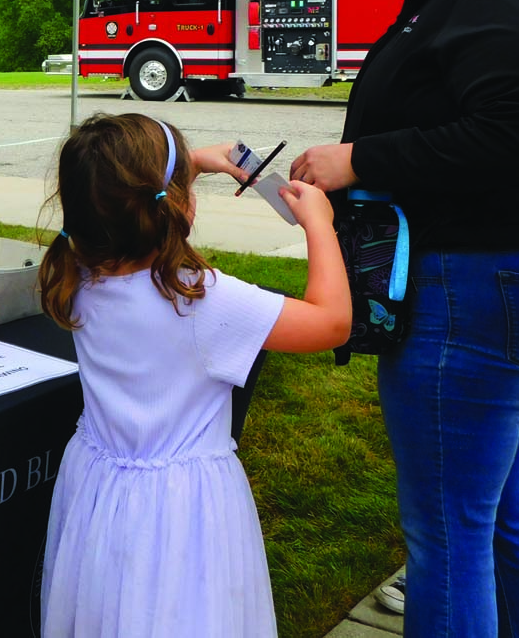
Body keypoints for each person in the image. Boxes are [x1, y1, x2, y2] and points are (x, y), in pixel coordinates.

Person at [292, 0, 519, 636]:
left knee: (445, 536)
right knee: (509, 512)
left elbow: (518, 135)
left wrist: (358, 159)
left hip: (469, 288)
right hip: (506, 279)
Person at [38, 113, 349, 638]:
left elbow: (124, 202)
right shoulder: (201, 300)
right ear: (176, 203)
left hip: (99, 492)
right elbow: (332, 321)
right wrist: (321, 223)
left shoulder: (76, 274)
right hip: (183, 513)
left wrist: (194, 164)